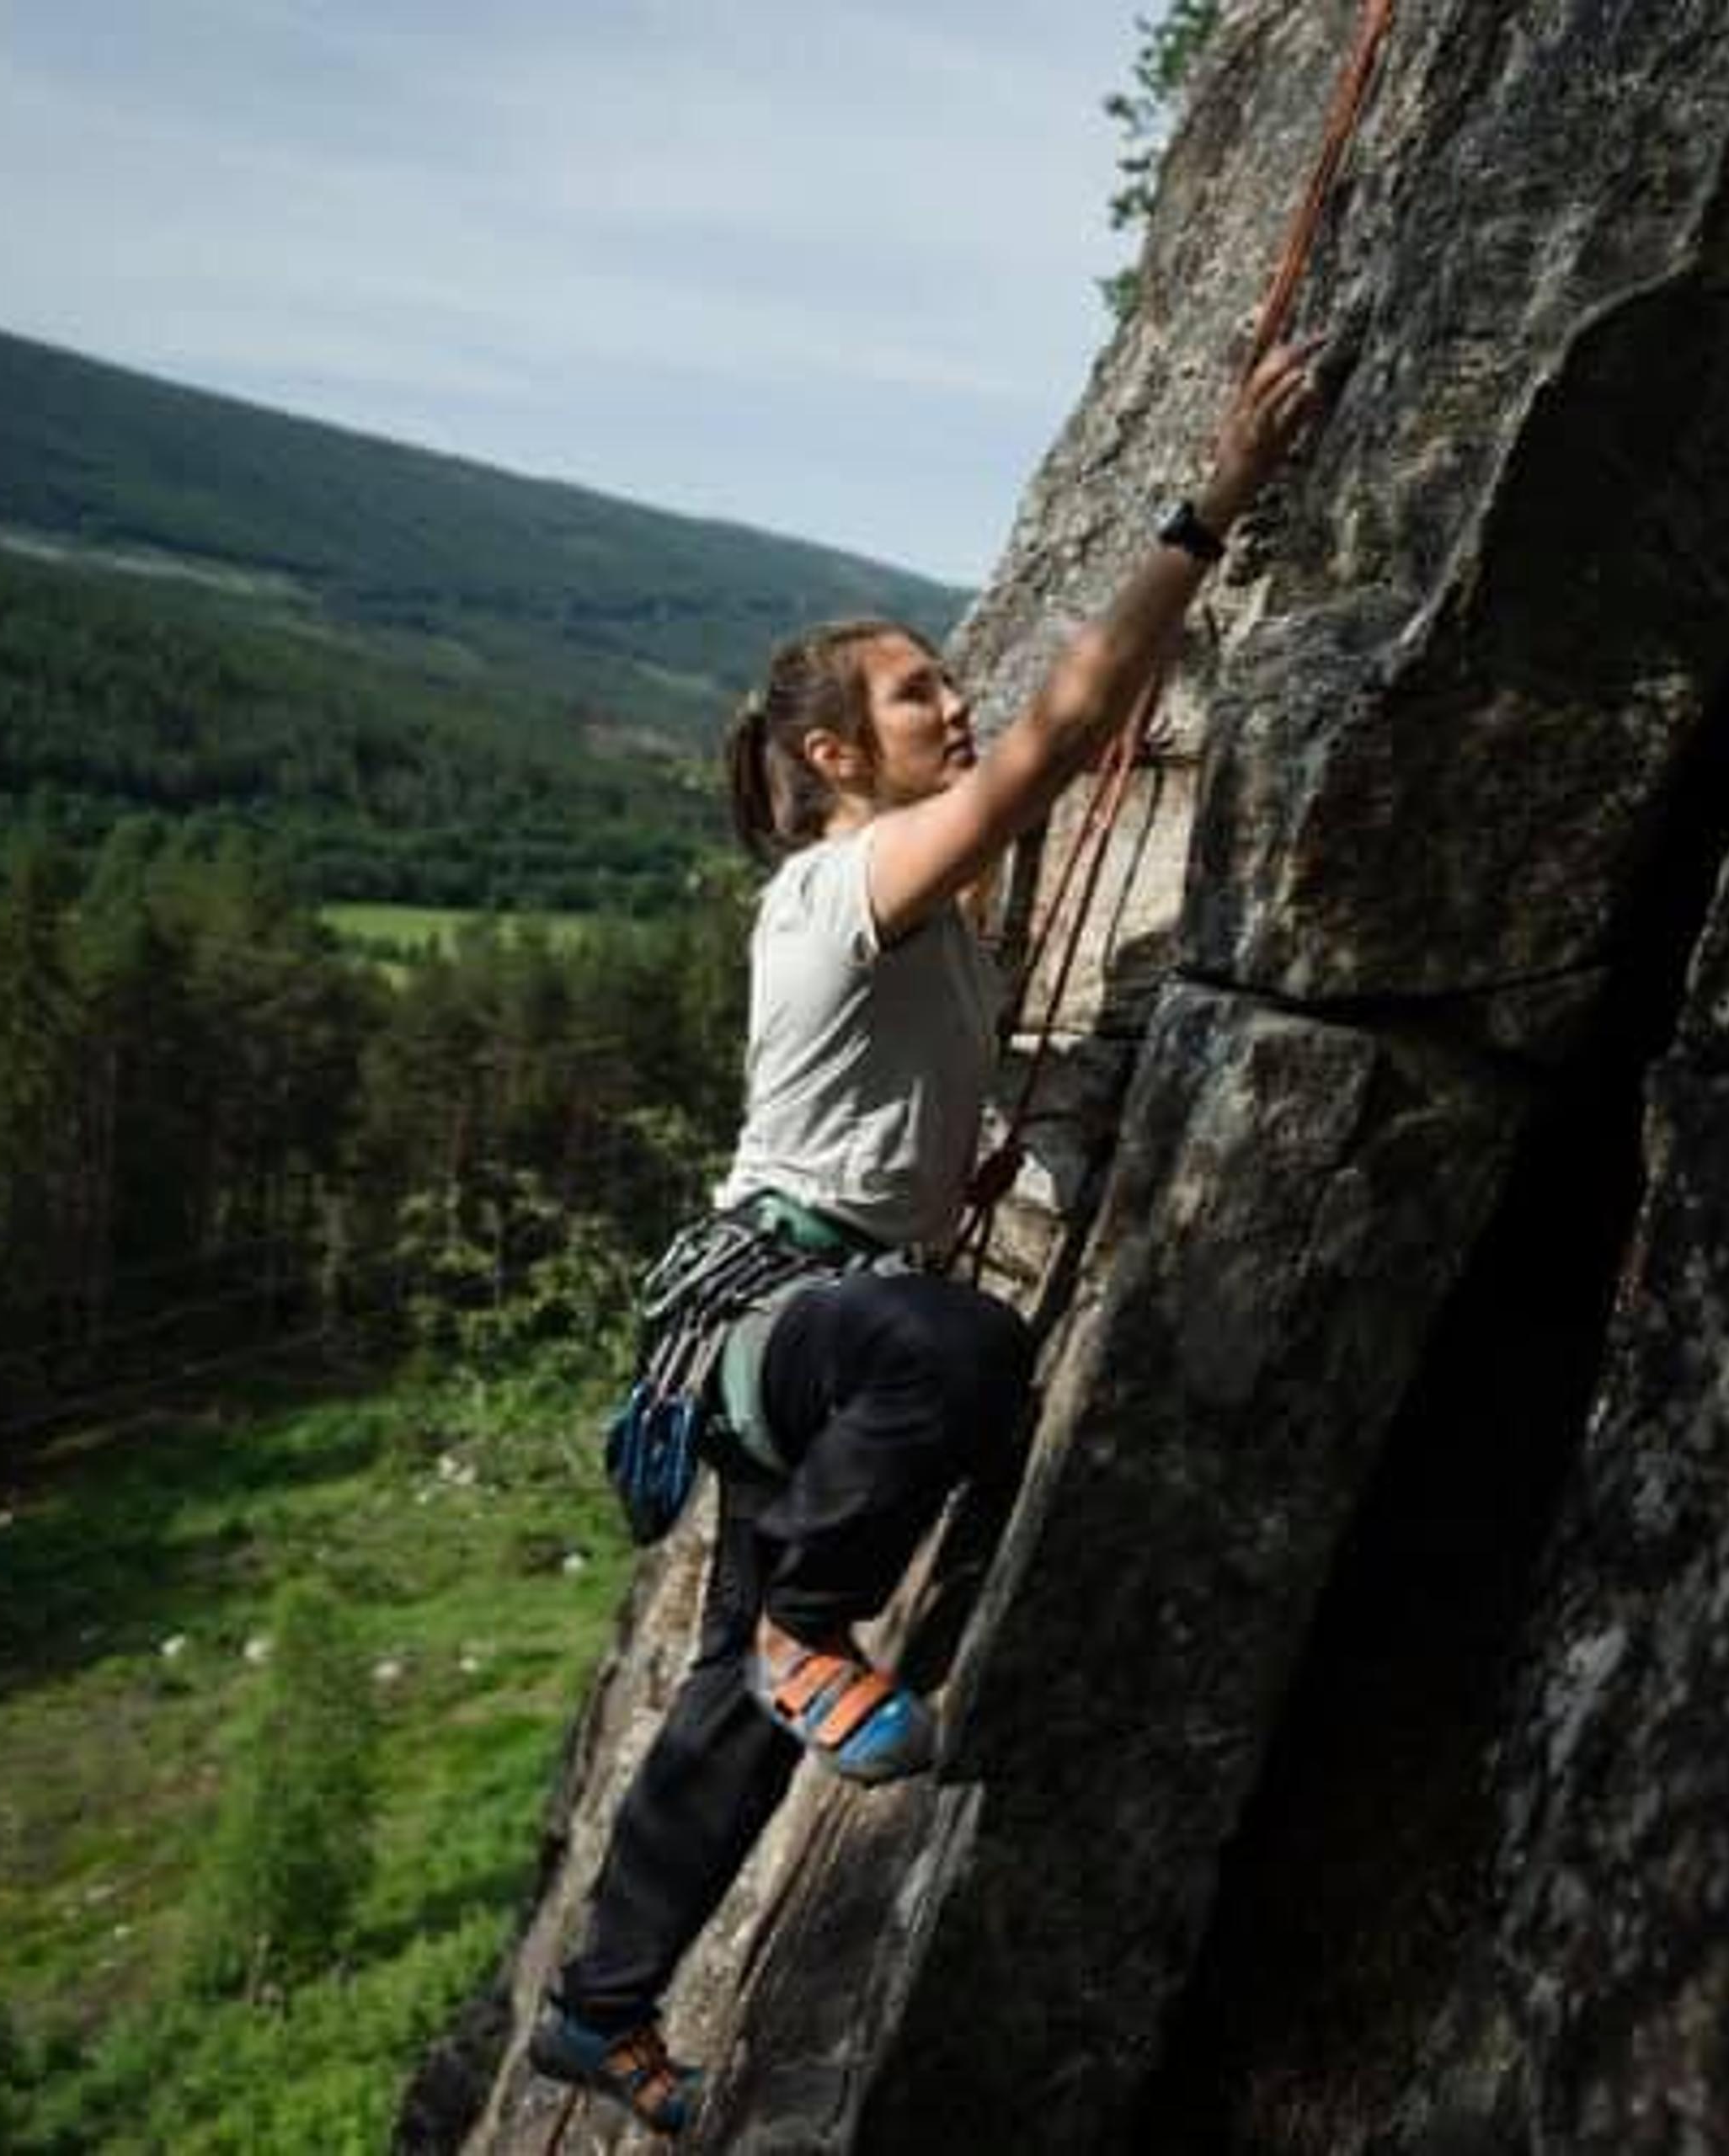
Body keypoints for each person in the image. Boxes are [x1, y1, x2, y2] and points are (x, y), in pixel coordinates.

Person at [528, 338, 1321, 2135]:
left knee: (730, 1698)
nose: (950, 704)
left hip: (793, 1329)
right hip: (791, 1314)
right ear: (832, 757)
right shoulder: (837, 885)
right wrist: (1213, 506)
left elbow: (1013, 847)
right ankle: (823, 1622)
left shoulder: (923, 911)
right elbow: (1056, 748)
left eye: (943, 682)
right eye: (913, 696)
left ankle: (601, 2005)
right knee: (956, 1352)